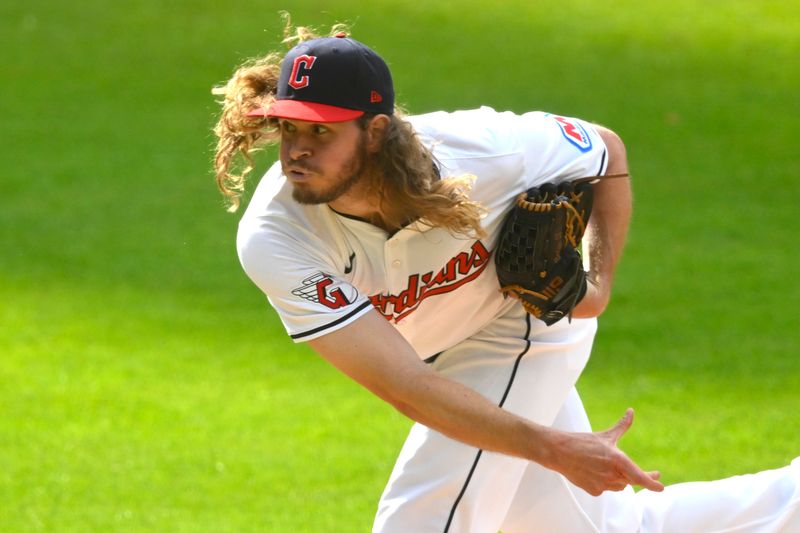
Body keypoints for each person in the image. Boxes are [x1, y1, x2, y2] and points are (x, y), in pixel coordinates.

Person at [212, 23, 800, 533]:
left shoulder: (483, 154)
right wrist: (554, 448)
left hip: (520, 324)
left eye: (322, 132)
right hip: (434, 367)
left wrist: (595, 289)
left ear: (376, 132)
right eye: (289, 128)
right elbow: (405, 387)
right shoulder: (277, 237)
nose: (297, 152)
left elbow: (606, 152)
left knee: (425, 516)